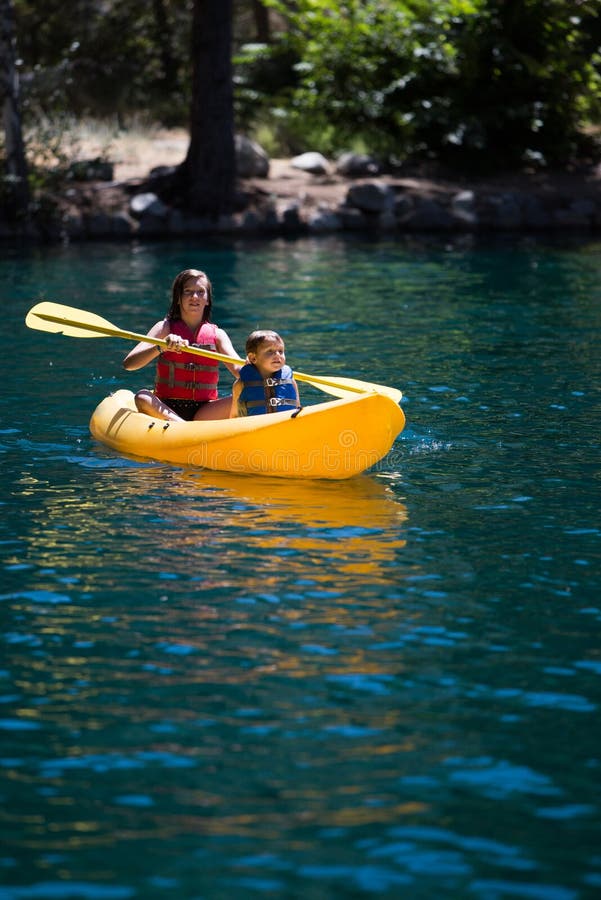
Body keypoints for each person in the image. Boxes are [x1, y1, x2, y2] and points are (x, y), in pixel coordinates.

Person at [123, 268, 241, 422]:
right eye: (188, 291)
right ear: (178, 298)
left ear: (208, 300)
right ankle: (181, 425)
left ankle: (185, 427)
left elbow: (239, 371)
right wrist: (161, 347)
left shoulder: (218, 335)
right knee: (142, 396)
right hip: (166, 407)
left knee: (244, 395)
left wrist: (259, 367)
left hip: (205, 411)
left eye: (200, 292)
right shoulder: (164, 328)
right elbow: (129, 364)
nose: (194, 297)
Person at [231, 329, 300, 417]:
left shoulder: (289, 379)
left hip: (286, 425)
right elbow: (234, 415)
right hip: (256, 427)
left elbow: (298, 407)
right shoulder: (240, 384)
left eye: (281, 351)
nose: (277, 355)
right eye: (270, 351)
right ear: (253, 358)